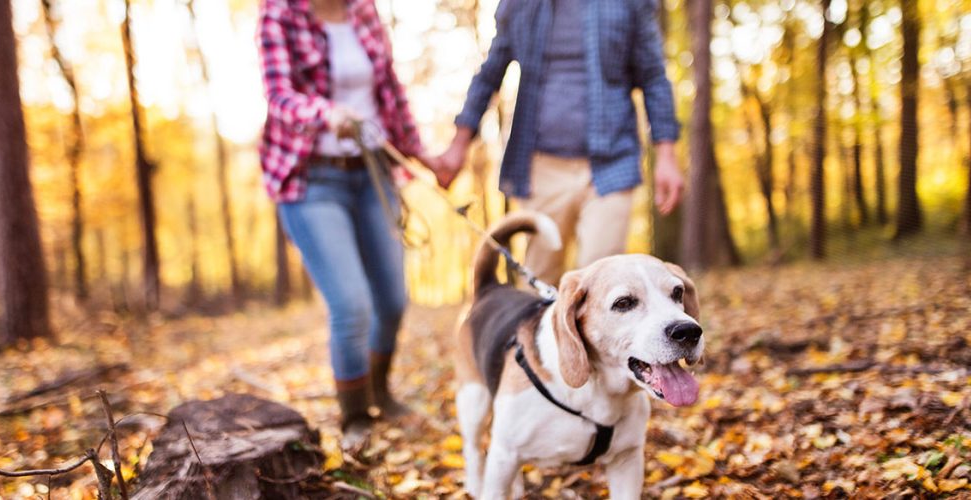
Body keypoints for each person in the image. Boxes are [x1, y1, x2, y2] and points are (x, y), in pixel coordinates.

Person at [257, 0, 431, 450]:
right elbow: (278, 96)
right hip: (311, 178)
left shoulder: (363, 11)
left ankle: (380, 391)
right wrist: (324, 113)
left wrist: (420, 152)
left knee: (392, 301)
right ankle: (354, 415)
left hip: (372, 171)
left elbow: (389, 87)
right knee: (351, 305)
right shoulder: (280, 14)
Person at [434, 0, 685, 286]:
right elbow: (489, 74)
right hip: (541, 166)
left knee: (603, 282)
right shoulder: (520, 5)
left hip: (612, 163)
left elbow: (653, 77)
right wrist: (458, 145)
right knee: (539, 282)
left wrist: (667, 156)